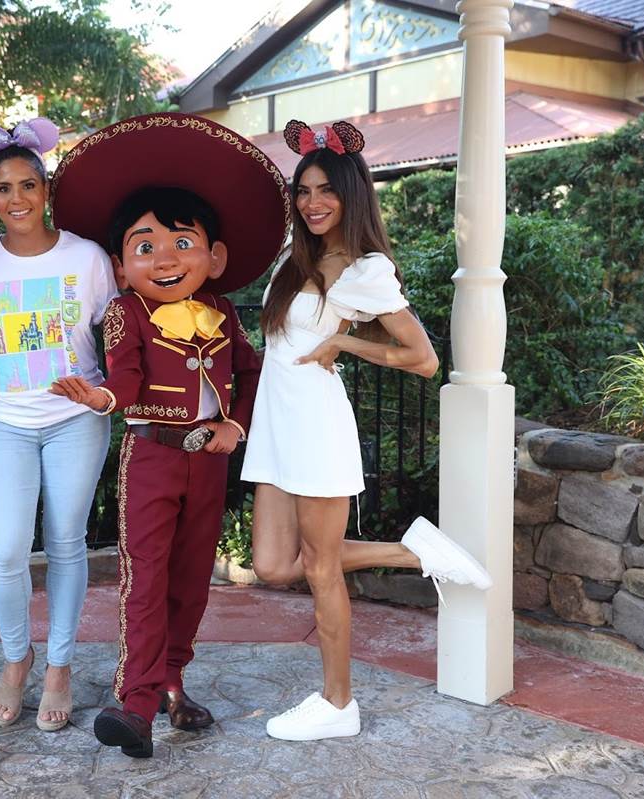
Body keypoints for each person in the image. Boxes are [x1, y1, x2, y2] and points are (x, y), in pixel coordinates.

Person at [241, 120, 492, 742]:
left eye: (326, 190)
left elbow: (423, 358)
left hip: (317, 428)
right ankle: (415, 553)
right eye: (303, 191)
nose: (313, 202)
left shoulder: (364, 269)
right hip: (275, 428)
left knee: (322, 570)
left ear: (352, 194)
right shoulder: (295, 257)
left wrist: (346, 342)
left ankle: (338, 703)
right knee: (273, 565)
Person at [48, 113, 288, 758]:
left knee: (191, 579)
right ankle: (136, 704)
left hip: (208, 460)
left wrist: (235, 424)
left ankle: (173, 683)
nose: (165, 258)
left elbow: (250, 372)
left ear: (216, 257)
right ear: (121, 266)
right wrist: (101, 397)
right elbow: (124, 379)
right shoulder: (125, 311)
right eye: (145, 245)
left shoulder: (223, 312)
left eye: (183, 242)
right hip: (151, 454)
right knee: (146, 577)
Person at [0, 118, 117, 732]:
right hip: (7, 423)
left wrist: (109, 394)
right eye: (3, 188)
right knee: (5, 550)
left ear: (46, 191)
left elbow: (118, 335)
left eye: (28, 185)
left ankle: (59, 667)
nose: (17, 198)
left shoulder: (87, 258)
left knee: (66, 542)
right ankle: (16, 657)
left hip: (76, 420)